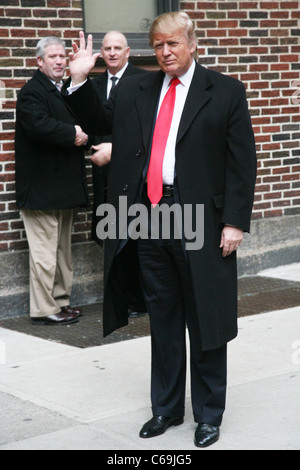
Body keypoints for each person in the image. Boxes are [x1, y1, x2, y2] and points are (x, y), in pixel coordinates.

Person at [65, 11, 257, 447]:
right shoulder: (139, 86)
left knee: (205, 318)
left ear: (192, 43)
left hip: (201, 221)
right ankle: (166, 409)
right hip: (150, 215)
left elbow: (242, 163)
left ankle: (209, 414)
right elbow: (100, 119)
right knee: (164, 318)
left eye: (173, 43)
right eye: (158, 45)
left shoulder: (225, 91)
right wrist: (78, 81)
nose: (165, 52)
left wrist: (234, 223)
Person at [15, 36, 90, 326]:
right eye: (53, 57)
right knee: (44, 256)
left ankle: (61, 302)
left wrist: (87, 137)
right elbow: (38, 125)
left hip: (63, 191)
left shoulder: (64, 90)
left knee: (62, 255)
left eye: (63, 57)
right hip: (42, 192)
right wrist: (74, 133)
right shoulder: (32, 92)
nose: (59, 61)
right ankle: (44, 309)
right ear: (40, 61)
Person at [89, 31, 146, 245]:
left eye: (117, 48)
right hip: (102, 174)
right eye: (107, 49)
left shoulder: (144, 81)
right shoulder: (92, 85)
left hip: (132, 171)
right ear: (101, 53)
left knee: (132, 236)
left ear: (128, 52)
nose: (112, 53)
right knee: (107, 237)